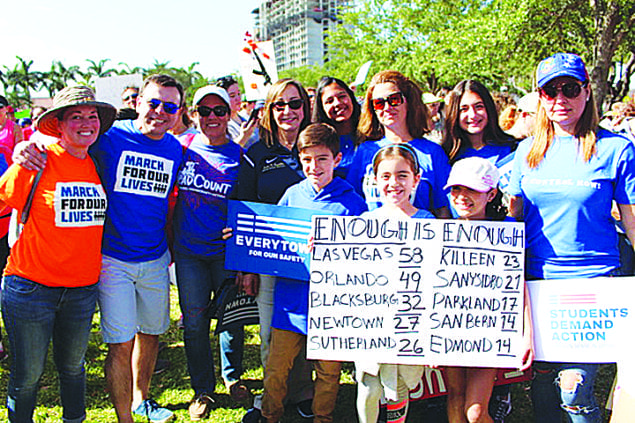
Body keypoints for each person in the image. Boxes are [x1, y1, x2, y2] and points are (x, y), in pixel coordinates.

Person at [14, 74, 185, 423]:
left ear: (179, 111)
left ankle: (142, 400)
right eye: (153, 103)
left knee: (150, 334)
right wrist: (26, 145)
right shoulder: (109, 138)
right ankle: (125, 418)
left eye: (170, 106)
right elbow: (62, 138)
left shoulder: (175, 149)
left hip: (154, 259)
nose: (160, 112)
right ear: (137, 103)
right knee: (120, 342)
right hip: (110, 261)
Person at [509, 52, 635, 423]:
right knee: (545, 387)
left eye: (569, 89)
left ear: (586, 92)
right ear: (540, 97)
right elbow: (513, 219)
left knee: (574, 387)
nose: (560, 100)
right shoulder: (524, 153)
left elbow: (631, 219)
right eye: (550, 91)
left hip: (594, 284)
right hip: (538, 285)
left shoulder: (617, 149)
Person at [0, 86, 114, 423]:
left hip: (81, 291)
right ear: (58, 125)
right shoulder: (37, 159)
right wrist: (20, 151)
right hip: (31, 288)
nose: (85, 123)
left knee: (73, 369)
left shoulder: (98, 164)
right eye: (75, 116)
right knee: (28, 376)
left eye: (92, 116)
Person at [260, 123, 367, 423]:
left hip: (330, 303)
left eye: (321, 159)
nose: (314, 166)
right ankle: (270, 415)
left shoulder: (352, 203)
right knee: (277, 367)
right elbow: (269, 238)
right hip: (290, 301)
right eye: (306, 159)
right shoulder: (292, 195)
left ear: (337, 159)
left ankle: (323, 417)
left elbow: (364, 256)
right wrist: (244, 236)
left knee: (329, 371)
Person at [230, 78, 315, 422]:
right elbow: (242, 204)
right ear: (268, 110)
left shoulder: (316, 143)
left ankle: (305, 392)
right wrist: (245, 265)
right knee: (270, 331)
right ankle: (273, 393)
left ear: (305, 108)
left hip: (313, 261)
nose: (288, 112)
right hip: (270, 258)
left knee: (308, 329)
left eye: (295, 104)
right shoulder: (257, 152)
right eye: (279, 105)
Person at [172, 85, 247, 420]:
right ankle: (203, 389)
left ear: (229, 115)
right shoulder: (180, 148)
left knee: (231, 319)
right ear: (193, 114)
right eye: (205, 111)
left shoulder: (240, 157)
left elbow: (248, 206)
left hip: (224, 254)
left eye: (219, 111)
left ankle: (233, 378)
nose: (212, 117)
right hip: (189, 254)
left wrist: (241, 233)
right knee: (195, 323)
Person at [443, 157, 534, 423]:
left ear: (491, 193)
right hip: (449, 329)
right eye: (456, 189)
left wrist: (526, 335)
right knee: (456, 398)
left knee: (475, 412)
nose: (462, 197)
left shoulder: (506, 232)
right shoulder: (443, 232)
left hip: (489, 331)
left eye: (471, 189)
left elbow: (520, 287)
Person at [355, 143, 434, 423]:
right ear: (374, 180)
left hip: (410, 323)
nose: (394, 183)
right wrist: (326, 248)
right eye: (385, 176)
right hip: (373, 321)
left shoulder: (429, 222)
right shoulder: (363, 223)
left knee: (400, 387)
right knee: (368, 384)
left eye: (402, 175)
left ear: (416, 178)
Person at [347, 70, 451, 217]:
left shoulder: (433, 153)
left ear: (409, 101)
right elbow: (353, 203)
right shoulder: (365, 151)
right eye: (378, 103)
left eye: (394, 99)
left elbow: (443, 208)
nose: (387, 107)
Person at [441, 80, 515, 167]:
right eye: (464, 109)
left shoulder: (512, 150)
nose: (473, 115)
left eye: (478, 107)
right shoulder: (444, 156)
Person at [312, 76, 361, 178]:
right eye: (329, 101)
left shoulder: (373, 132)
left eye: (342, 96)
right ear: (322, 108)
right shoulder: (319, 143)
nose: (337, 103)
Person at [216, 75, 259, 149]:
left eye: (239, 94)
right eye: (232, 96)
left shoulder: (244, 118)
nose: (238, 98)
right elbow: (227, 151)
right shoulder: (221, 125)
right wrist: (244, 136)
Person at [0, 95, 24, 166]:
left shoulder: (15, 128)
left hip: (8, 168)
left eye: (0, 107)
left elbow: (19, 151)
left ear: (6, 109)